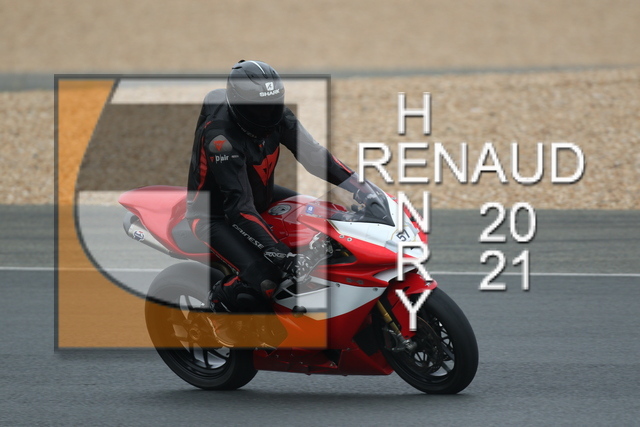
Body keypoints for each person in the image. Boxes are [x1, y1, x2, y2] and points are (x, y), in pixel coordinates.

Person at [186, 60, 355, 313]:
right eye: (258, 109)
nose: (267, 115)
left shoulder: (279, 116)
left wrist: (362, 188)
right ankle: (217, 303)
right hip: (214, 214)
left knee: (330, 219)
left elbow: (315, 157)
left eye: (272, 105)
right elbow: (238, 207)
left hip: (260, 196)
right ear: (238, 106)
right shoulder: (220, 139)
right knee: (267, 279)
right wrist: (279, 253)